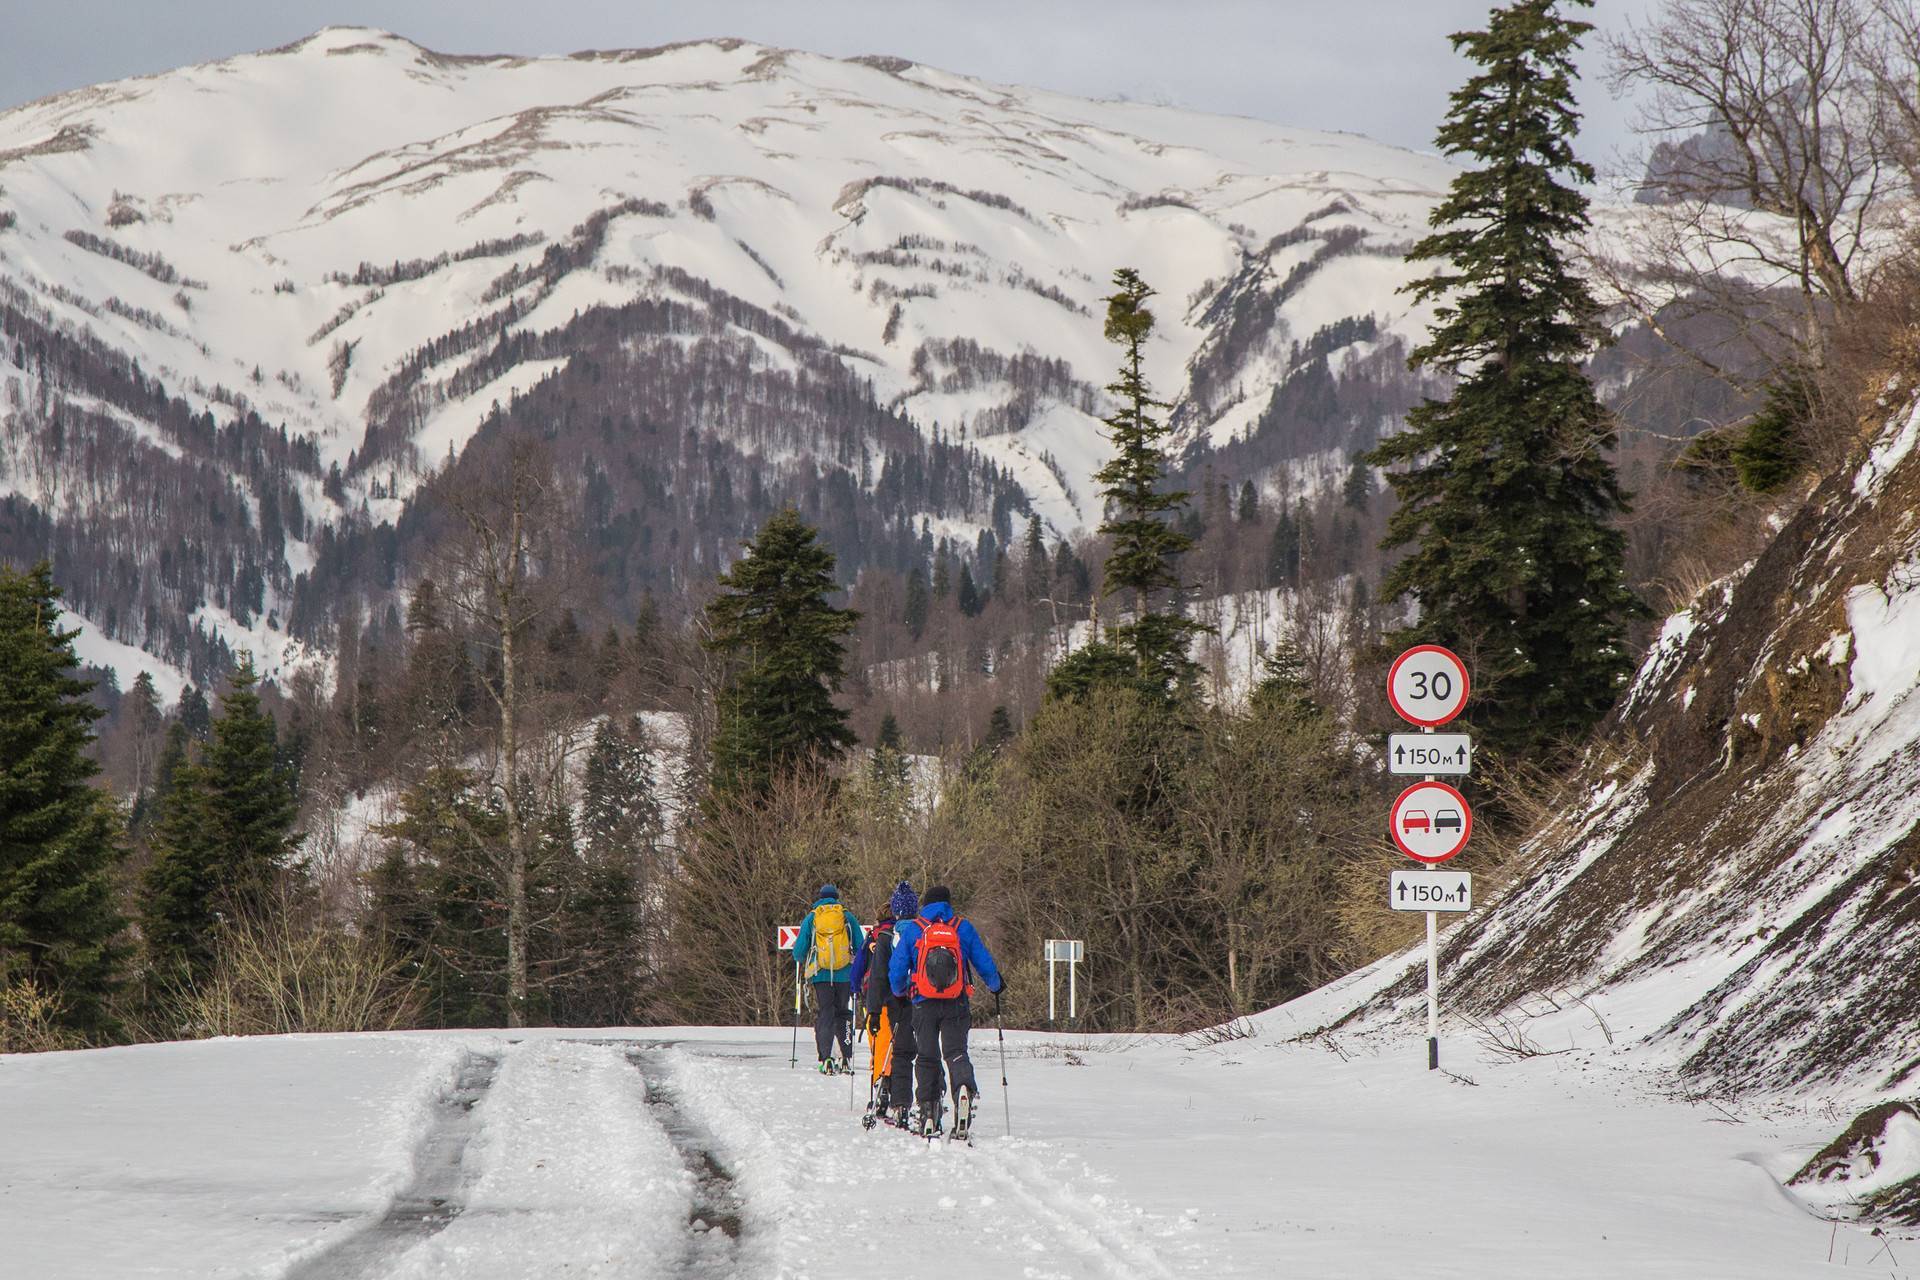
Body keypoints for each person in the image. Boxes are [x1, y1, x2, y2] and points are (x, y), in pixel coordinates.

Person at [888, 884, 1002, 1139]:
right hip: (956, 1002)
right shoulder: (961, 926)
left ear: (925, 904)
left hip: (922, 1003)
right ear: (948, 903)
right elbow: (983, 960)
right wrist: (995, 984)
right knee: (956, 1052)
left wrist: (900, 991)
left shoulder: (916, 928)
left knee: (927, 1057)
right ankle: (963, 1089)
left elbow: (896, 969)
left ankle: (928, 1112)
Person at [854, 881, 920, 1126]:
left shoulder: (882, 936)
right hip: (923, 999)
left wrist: (870, 1009)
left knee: (893, 1050)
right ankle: (933, 1097)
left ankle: (893, 1098)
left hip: (891, 1001)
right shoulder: (923, 930)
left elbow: (875, 974)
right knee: (925, 1051)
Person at [792, 883, 864, 1074]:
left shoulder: (812, 918)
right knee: (843, 1011)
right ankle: (846, 1057)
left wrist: (803, 960)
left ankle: (826, 1058)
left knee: (826, 1013)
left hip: (821, 974)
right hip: (845, 974)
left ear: (820, 897)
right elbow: (860, 945)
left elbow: (799, 951)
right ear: (836, 898)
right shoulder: (847, 918)